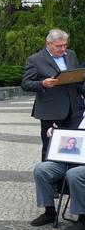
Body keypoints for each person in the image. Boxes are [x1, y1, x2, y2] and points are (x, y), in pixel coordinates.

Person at [21, 29, 81, 161]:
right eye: (59, 46)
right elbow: (25, 84)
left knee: (73, 149)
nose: (63, 48)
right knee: (50, 148)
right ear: (48, 44)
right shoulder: (35, 59)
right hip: (50, 112)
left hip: (73, 109)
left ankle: (67, 180)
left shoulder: (71, 55)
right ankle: (47, 179)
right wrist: (42, 83)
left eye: (65, 45)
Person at [30, 124, 85, 230]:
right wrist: (54, 131)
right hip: (66, 160)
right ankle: (49, 212)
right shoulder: (76, 116)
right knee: (41, 169)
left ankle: (83, 219)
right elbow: (64, 130)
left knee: (74, 174)